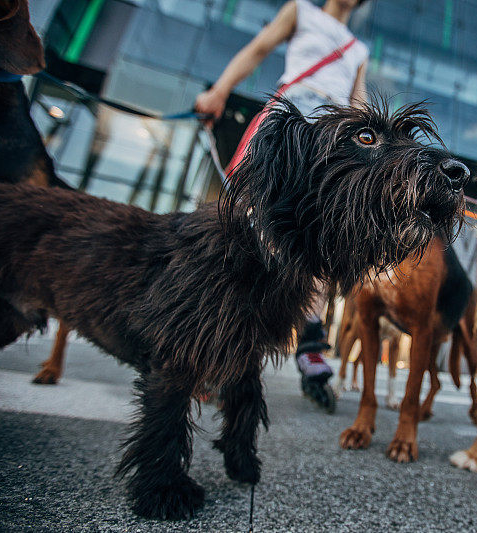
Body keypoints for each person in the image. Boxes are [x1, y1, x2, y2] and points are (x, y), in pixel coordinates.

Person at [195, 0, 370, 412]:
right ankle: (217, 343)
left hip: (331, 137)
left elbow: (359, 105)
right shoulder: (300, 11)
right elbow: (258, 49)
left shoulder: (358, 50)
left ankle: (310, 347)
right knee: (250, 225)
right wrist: (220, 91)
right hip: (289, 123)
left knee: (321, 240)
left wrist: (370, 149)